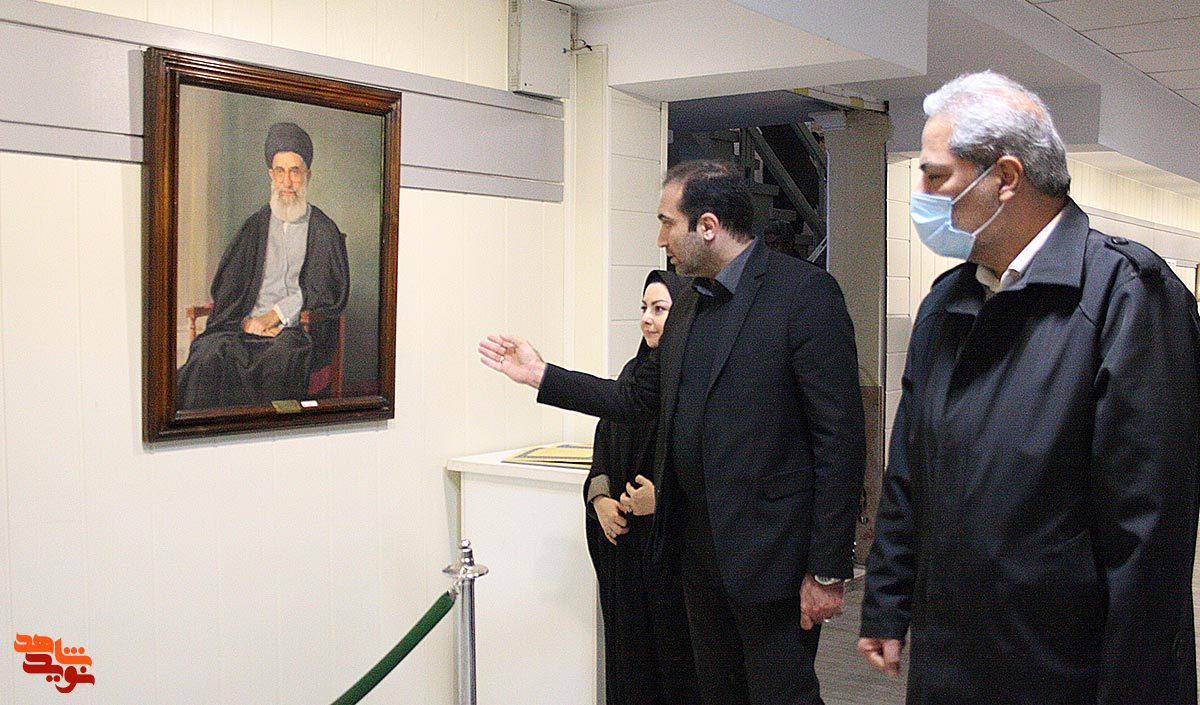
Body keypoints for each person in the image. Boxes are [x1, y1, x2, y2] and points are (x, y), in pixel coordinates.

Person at [858, 70, 1200, 705]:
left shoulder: (1126, 296)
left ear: (1006, 179)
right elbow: (910, 472)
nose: (921, 195)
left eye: (936, 176)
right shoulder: (946, 303)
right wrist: (887, 602)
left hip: (1061, 666)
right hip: (951, 655)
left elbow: (1149, 533)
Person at [480, 159, 866, 705]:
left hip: (772, 558)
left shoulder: (804, 294)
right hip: (694, 556)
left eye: (667, 223)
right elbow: (635, 399)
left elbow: (840, 440)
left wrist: (828, 568)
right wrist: (542, 375)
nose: (661, 239)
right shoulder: (687, 305)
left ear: (707, 226)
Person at [176, 122, 350, 409]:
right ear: (271, 175)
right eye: (280, 171)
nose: (287, 182)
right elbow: (229, 289)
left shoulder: (323, 230)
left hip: (294, 332)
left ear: (307, 175)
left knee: (280, 359)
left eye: (295, 171)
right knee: (208, 353)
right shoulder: (254, 227)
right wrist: (247, 323)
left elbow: (326, 291)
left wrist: (275, 316)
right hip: (245, 328)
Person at [586, 269, 699, 705]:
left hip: (673, 562)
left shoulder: (694, 383)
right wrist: (600, 500)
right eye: (644, 308)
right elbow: (604, 444)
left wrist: (662, 500)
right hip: (629, 557)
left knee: (678, 673)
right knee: (630, 670)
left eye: (660, 309)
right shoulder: (633, 377)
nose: (647, 319)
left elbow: (713, 470)